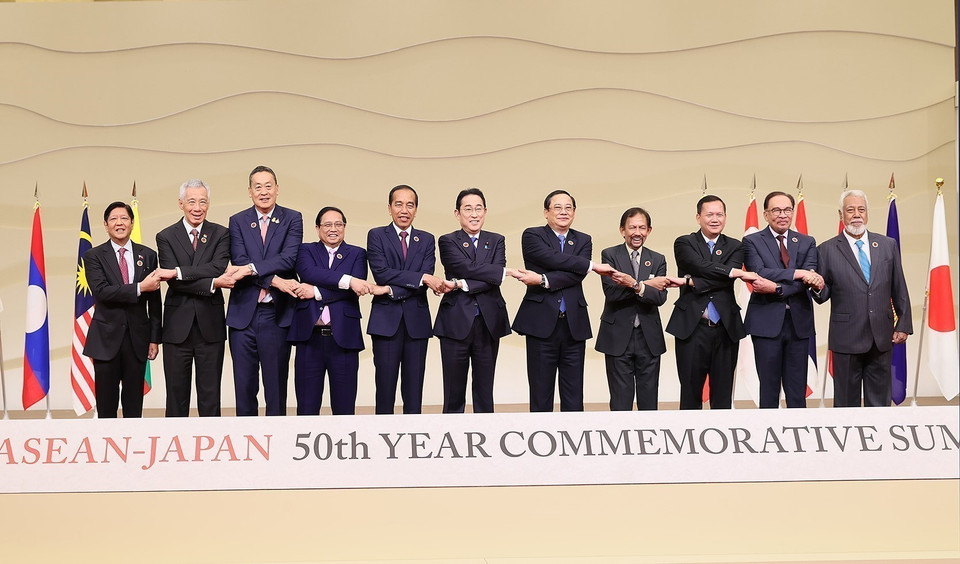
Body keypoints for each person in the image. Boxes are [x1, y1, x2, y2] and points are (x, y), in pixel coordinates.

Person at [511, 189, 616, 412]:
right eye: (557, 207)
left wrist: (542, 278)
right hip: (540, 324)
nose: (563, 212)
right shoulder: (533, 235)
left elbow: (576, 274)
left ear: (575, 213)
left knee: (574, 393)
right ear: (546, 212)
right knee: (540, 392)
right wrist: (590, 266)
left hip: (573, 324)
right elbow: (550, 257)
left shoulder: (583, 239)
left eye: (568, 208)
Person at [812, 189, 912, 407]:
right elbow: (822, 295)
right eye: (850, 210)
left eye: (861, 209)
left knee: (879, 403)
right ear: (841, 215)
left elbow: (899, 288)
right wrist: (816, 287)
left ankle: (880, 440)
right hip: (846, 337)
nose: (856, 214)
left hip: (881, 336)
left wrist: (903, 324)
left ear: (867, 214)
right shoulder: (826, 250)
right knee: (846, 404)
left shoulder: (887, 245)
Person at [289, 206, 385, 415]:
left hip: (343, 339)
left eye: (338, 224)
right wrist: (348, 281)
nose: (333, 229)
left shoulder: (358, 254)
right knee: (306, 407)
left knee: (344, 409)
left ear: (344, 227)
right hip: (309, 338)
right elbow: (309, 272)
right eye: (328, 224)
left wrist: (315, 291)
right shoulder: (305, 250)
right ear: (317, 228)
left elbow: (352, 292)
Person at [666, 194, 758, 409]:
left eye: (719, 214)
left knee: (723, 394)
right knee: (690, 392)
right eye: (709, 214)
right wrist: (732, 272)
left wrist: (689, 282)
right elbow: (697, 265)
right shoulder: (684, 242)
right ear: (698, 217)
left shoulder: (737, 246)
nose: (714, 219)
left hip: (725, 328)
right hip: (691, 327)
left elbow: (717, 278)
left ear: (725, 217)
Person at [225, 165, 303, 416]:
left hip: (276, 314)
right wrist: (274, 281)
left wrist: (252, 270)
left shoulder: (293, 218)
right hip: (243, 315)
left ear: (277, 189)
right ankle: (248, 446)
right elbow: (239, 259)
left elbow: (288, 259)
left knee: (276, 387)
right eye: (257, 187)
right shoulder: (237, 221)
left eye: (268, 186)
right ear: (250, 192)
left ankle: (276, 445)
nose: (264, 191)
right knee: (244, 387)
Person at [155, 179, 233, 417]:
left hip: (210, 326)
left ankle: (212, 448)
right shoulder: (166, 236)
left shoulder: (221, 233)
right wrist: (211, 282)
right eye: (192, 201)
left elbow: (217, 267)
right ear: (181, 204)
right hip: (177, 328)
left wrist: (180, 272)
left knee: (210, 397)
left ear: (208, 204)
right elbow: (174, 282)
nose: (197, 207)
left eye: (202, 201)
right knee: (176, 397)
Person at [434, 188, 514, 413]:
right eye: (467, 209)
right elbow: (462, 267)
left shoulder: (497, 240)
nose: (474, 214)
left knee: (484, 389)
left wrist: (461, 284)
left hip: (489, 321)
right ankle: (452, 437)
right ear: (457, 214)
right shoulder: (447, 241)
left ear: (485, 211)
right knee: (453, 390)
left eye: (478, 208)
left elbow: (495, 277)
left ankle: (485, 436)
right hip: (455, 320)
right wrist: (492, 273)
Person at [366, 185, 445, 414]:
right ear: (389, 208)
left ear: (416, 210)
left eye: (410, 205)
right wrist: (421, 278)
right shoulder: (377, 235)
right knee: (385, 389)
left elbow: (426, 276)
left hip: (416, 323)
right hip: (385, 322)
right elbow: (381, 273)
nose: (404, 210)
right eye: (398, 204)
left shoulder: (427, 239)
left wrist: (391, 289)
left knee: (414, 390)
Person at [83, 201, 163, 418]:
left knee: (134, 405)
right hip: (105, 339)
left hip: (137, 339)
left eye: (124, 218)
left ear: (132, 222)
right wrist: (139, 288)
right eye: (113, 219)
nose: (119, 223)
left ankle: (133, 448)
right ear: (106, 225)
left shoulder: (147, 255)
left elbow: (155, 302)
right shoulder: (94, 256)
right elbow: (102, 292)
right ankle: (105, 450)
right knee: (106, 406)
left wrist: (154, 339)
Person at [595, 207, 681, 410]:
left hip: (648, 336)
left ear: (649, 230)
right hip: (617, 336)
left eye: (642, 227)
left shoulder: (658, 259)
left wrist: (633, 284)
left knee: (649, 400)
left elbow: (660, 297)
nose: (637, 232)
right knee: (620, 401)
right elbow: (612, 293)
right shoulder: (610, 255)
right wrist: (645, 287)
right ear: (622, 230)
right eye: (632, 227)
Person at [743, 191, 821, 408]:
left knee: (797, 393)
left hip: (799, 323)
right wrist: (798, 273)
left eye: (787, 210)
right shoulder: (752, 241)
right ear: (766, 214)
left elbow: (809, 278)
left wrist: (776, 289)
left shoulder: (806, 242)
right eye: (776, 210)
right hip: (765, 324)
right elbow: (759, 272)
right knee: (768, 391)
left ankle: (798, 439)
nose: (782, 215)